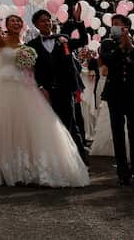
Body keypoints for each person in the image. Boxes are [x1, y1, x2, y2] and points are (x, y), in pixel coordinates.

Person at [0, 0, 89, 188]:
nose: (16, 23)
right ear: (7, 25)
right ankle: (4, 167)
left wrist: (39, 84)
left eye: (19, 20)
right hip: (4, 88)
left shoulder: (29, 45)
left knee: (38, 128)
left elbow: (34, 68)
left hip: (29, 88)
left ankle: (32, 167)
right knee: (3, 127)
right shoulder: (4, 42)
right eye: (12, 21)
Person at [98, 14, 134, 186]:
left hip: (133, 94)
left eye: (118, 24)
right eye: (113, 24)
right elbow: (108, 60)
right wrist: (122, 47)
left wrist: (131, 47)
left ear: (126, 27)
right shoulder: (107, 43)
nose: (114, 27)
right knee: (118, 133)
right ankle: (123, 172)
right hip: (114, 94)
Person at [30, 9, 87, 159]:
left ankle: (80, 159)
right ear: (36, 24)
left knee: (71, 125)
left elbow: (83, 41)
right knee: (50, 126)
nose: (47, 22)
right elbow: (33, 70)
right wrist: (40, 87)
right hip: (46, 92)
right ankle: (56, 158)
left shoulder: (63, 39)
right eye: (43, 20)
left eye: (48, 20)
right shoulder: (32, 45)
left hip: (65, 89)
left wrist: (79, 22)